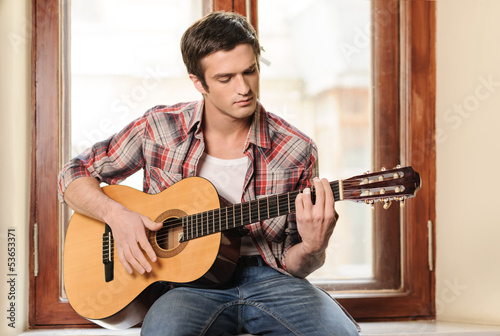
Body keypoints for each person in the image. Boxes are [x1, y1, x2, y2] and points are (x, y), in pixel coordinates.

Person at [58, 11, 360, 336]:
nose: (243, 88)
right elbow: (73, 174)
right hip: (185, 286)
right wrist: (117, 217)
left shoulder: (297, 149)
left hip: (271, 279)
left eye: (250, 71)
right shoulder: (158, 128)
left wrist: (314, 248)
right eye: (225, 78)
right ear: (197, 82)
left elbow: (296, 263)